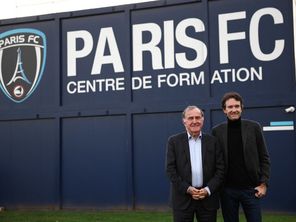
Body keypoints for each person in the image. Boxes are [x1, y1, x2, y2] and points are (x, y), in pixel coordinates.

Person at [212, 92, 271, 222]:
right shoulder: (217, 131)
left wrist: (263, 184)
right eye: (230, 107)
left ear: (241, 108)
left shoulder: (254, 127)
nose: (234, 110)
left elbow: (264, 158)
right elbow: (215, 162)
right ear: (224, 110)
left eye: (237, 106)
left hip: (251, 190)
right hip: (227, 191)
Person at [166, 105, 224, 222]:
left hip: (208, 200)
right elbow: (170, 170)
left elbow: (221, 170)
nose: (194, 121)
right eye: (190, 118)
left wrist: (207, 190)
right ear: (184, 121)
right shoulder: (174, 141)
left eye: (197, 118)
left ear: (203, 120)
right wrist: (187, 189)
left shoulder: (213, 141)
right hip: (182, 199)